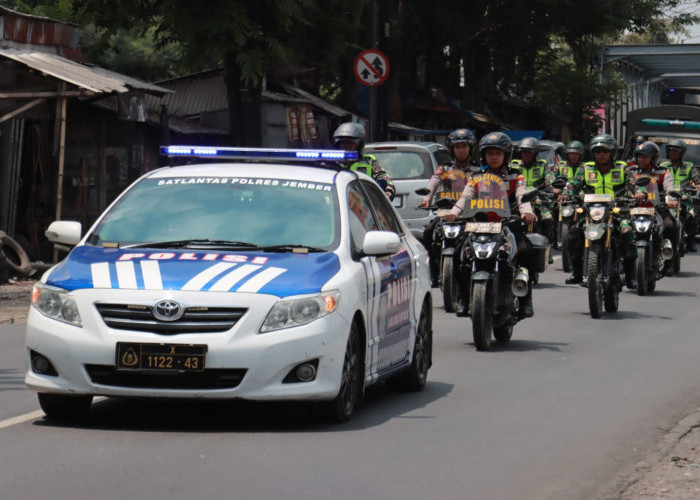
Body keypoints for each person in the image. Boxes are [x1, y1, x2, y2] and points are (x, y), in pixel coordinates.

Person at [444, 131, 537, 318]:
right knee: (457, 254)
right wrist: (453, 213)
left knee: (526, 250)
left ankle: (526, 300)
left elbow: (521, 195)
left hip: (506, 224)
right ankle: (463, 298)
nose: (494, 157)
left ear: (506, 155)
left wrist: (527, 212)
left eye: (498, 153)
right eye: (490, 153)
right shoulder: (476, 177)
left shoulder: (515, 176)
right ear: (484, 155)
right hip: (479, 225)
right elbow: (465, 197)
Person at [559, 133, 637, 287]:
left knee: (627, 233)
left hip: (617, 211)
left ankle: (630, 274)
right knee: (573, 234)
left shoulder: (622, 168)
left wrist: (640, 192)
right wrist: (565, 193)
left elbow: (634, 183)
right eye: (597, 151)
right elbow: (573, 184)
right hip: (591, 211)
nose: (601, 154)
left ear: (612, 153)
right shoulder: (586, 169)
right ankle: (577, 271)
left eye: (605, 151)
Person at [419, 128, 478, 287]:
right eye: (457, 147)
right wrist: (427, 199)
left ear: (470, 148)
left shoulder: (478, 170)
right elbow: (433, 183)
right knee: (429, 233)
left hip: (469, 213)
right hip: (445, 211)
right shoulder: (444, 168)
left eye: (464, 146)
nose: (461, 150)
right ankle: (433, 270)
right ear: (452, 149)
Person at [627, 141, 678, 276]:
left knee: (671, 224)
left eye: (645, 156)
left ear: (653, 158)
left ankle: (669, 261)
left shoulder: (662, 172)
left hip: (656, 208)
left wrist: (671, 199)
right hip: (634, 208)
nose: (641, 159)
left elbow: (669, 186)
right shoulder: (630, 172)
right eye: (639, 156)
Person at [510, 137, 555, 258]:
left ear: (535, 153)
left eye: (529, 152)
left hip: (538, 199)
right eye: (523, 152)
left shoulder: (542, 165)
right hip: (517, 201)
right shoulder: (513, 165)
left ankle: (546, 247)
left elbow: (550, 179)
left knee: (548, 219)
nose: (526, 155)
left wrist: (554, 187)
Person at [333, 122, 396, 200]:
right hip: (339, 203)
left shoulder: (369, 161)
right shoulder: (332, 162)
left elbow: (385, 179)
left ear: (359, 145)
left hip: (364, 205)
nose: (346, 147)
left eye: (350, 143)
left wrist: (386, 191)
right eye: (343, 143)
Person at [658, 139, 700, 252]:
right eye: (670, 151)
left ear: (681, 153)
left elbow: (697, 180)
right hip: (667, 198)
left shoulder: (689, 167)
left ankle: (690, 241)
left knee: (692, 216)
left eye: (675, 151)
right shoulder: (663, 166)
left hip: (684, 198)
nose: (672, 153)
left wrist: (698, 186)